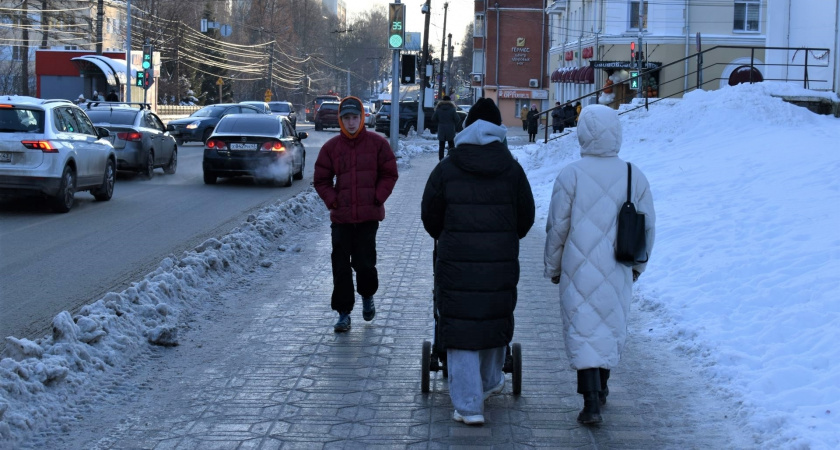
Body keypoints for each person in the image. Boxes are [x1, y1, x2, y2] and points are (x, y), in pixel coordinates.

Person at [421, 97, 535, 426]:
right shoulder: (512, 169)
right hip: (499, 263)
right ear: (498, 128)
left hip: (455, 264)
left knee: (459, 326)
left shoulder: (447, 168)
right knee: (492, 318)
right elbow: (526, 219)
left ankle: (469, 405)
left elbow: (430, 218)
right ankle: (489, 382)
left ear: (466, 127)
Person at [543, 104, 655, 426]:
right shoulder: (635, 175)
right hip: (619, 266)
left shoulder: (571, 174)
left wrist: (553, 267)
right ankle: (603, 387)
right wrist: (639, 267)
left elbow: (557, 227)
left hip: (577, 268)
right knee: (607, 324)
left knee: (583, 328)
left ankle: (590, 401)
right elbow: (647, 227)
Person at [313, 96, 399, 333]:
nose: (351, 123)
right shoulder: (331, 148)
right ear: (341, 120)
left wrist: (377, 197)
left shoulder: (377, 144)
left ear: (362, 118)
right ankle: (343, 313)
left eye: (355, 117)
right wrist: (333, 200)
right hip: (341, 218)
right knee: (340, 266)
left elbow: (389, 174)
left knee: (364, 264)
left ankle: (368, 294)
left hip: (367, 217)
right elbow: (321, 179)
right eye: (346, 118)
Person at [431, 95, 460, 161]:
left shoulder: (438, 109)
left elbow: (433, 119)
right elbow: (457, 119)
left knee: (441, 146)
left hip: (441, 129)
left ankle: (441, 159)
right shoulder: (452, 109)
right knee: (451, 145)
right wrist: (454, 124)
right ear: (450, 101)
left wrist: (439, 122)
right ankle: (451, 158)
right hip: (450, 129)